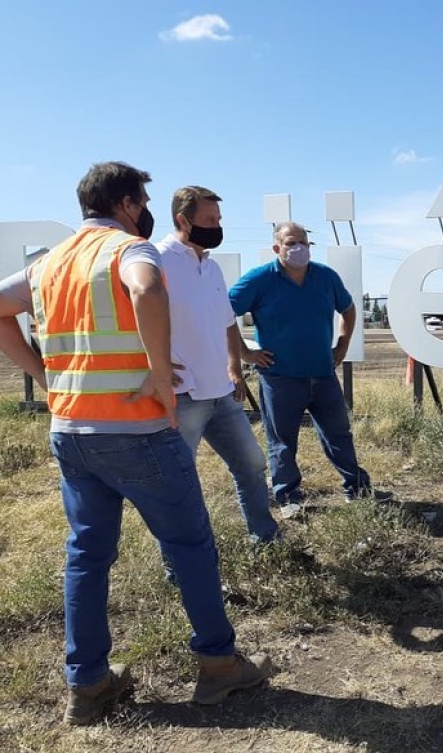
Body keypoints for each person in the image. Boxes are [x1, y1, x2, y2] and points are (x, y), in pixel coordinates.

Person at [0, 162, 269, 725]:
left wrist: (45, 378)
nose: (145, 208)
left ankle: (89, 684)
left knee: (87, 557)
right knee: (190, 545)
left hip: (72, 432)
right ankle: (219, 665)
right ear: (126, 203)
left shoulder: (49, 263)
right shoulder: (130, 250)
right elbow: (147, 290)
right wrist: (156, 374)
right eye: (142, 198)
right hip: (138, 431)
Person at [156, 187, 293, 544]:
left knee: (251, 465)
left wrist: (235, 368)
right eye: (209, 220)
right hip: (182, 396)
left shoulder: (211, 267)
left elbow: (227, 323)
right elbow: (133, 320)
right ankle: (183, 563)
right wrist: (152, 364)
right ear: (182, 220)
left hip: (222, 393)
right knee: (177, 483)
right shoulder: (155, 261)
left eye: (218, 220)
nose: (217, 227)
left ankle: (265, 539)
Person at [229, 221, 390, 505]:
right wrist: (244, 353)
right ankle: (288, 496)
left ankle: (357, 489)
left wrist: (342, 343)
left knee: (339, 434)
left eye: (303, 242)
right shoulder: (259, 280)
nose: (298, 248)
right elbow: (223, 313)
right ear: (277, 248)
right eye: (291, 243)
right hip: (280, 378)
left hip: (323, 374)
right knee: (282, 443)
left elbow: (349, 308)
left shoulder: (326, 277)